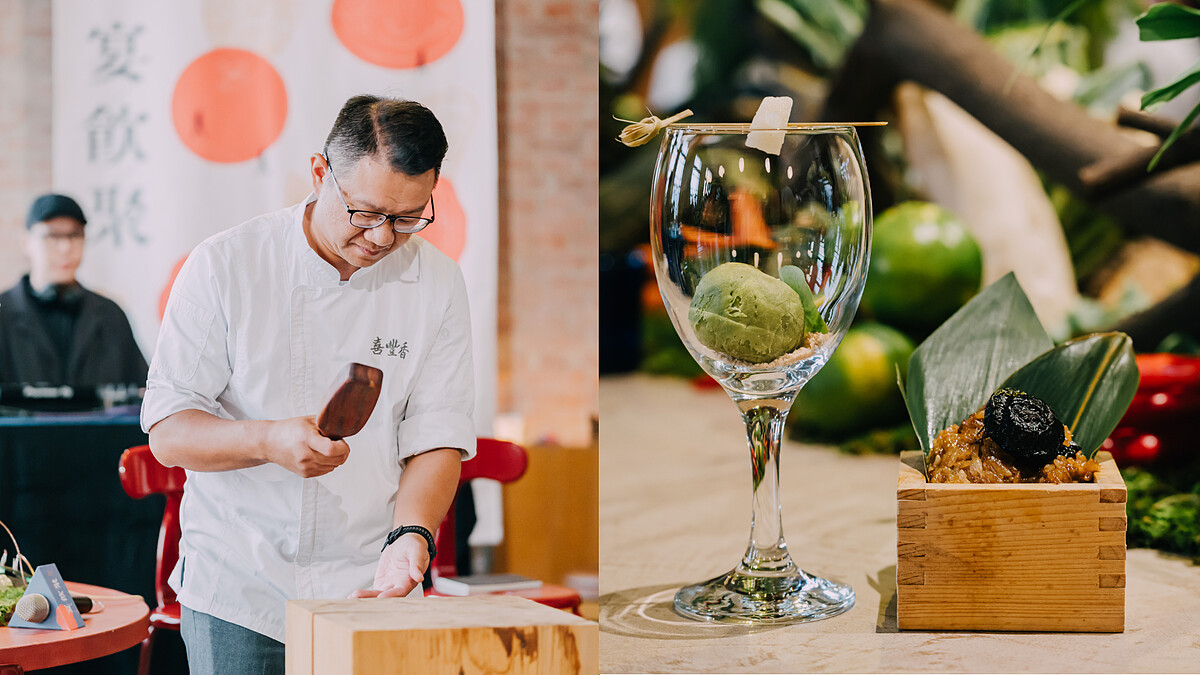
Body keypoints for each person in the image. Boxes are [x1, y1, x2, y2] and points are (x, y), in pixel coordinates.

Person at [141, 95, 474, 674]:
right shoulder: (226, 265)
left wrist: (413, 538)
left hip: (373, 580)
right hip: (243, 584)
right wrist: (267, 441)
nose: (381, 237)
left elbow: (437, 432)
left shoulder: (437, 281)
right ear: (321, 174)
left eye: (407, 217)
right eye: (365, 213)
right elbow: (169, 432)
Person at [0, 193, 147, 389]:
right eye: (52, 235)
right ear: (26, 242)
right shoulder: (3, 315)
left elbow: (143, 395)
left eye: (75, 235)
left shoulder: (111, 316)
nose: (66, 247)